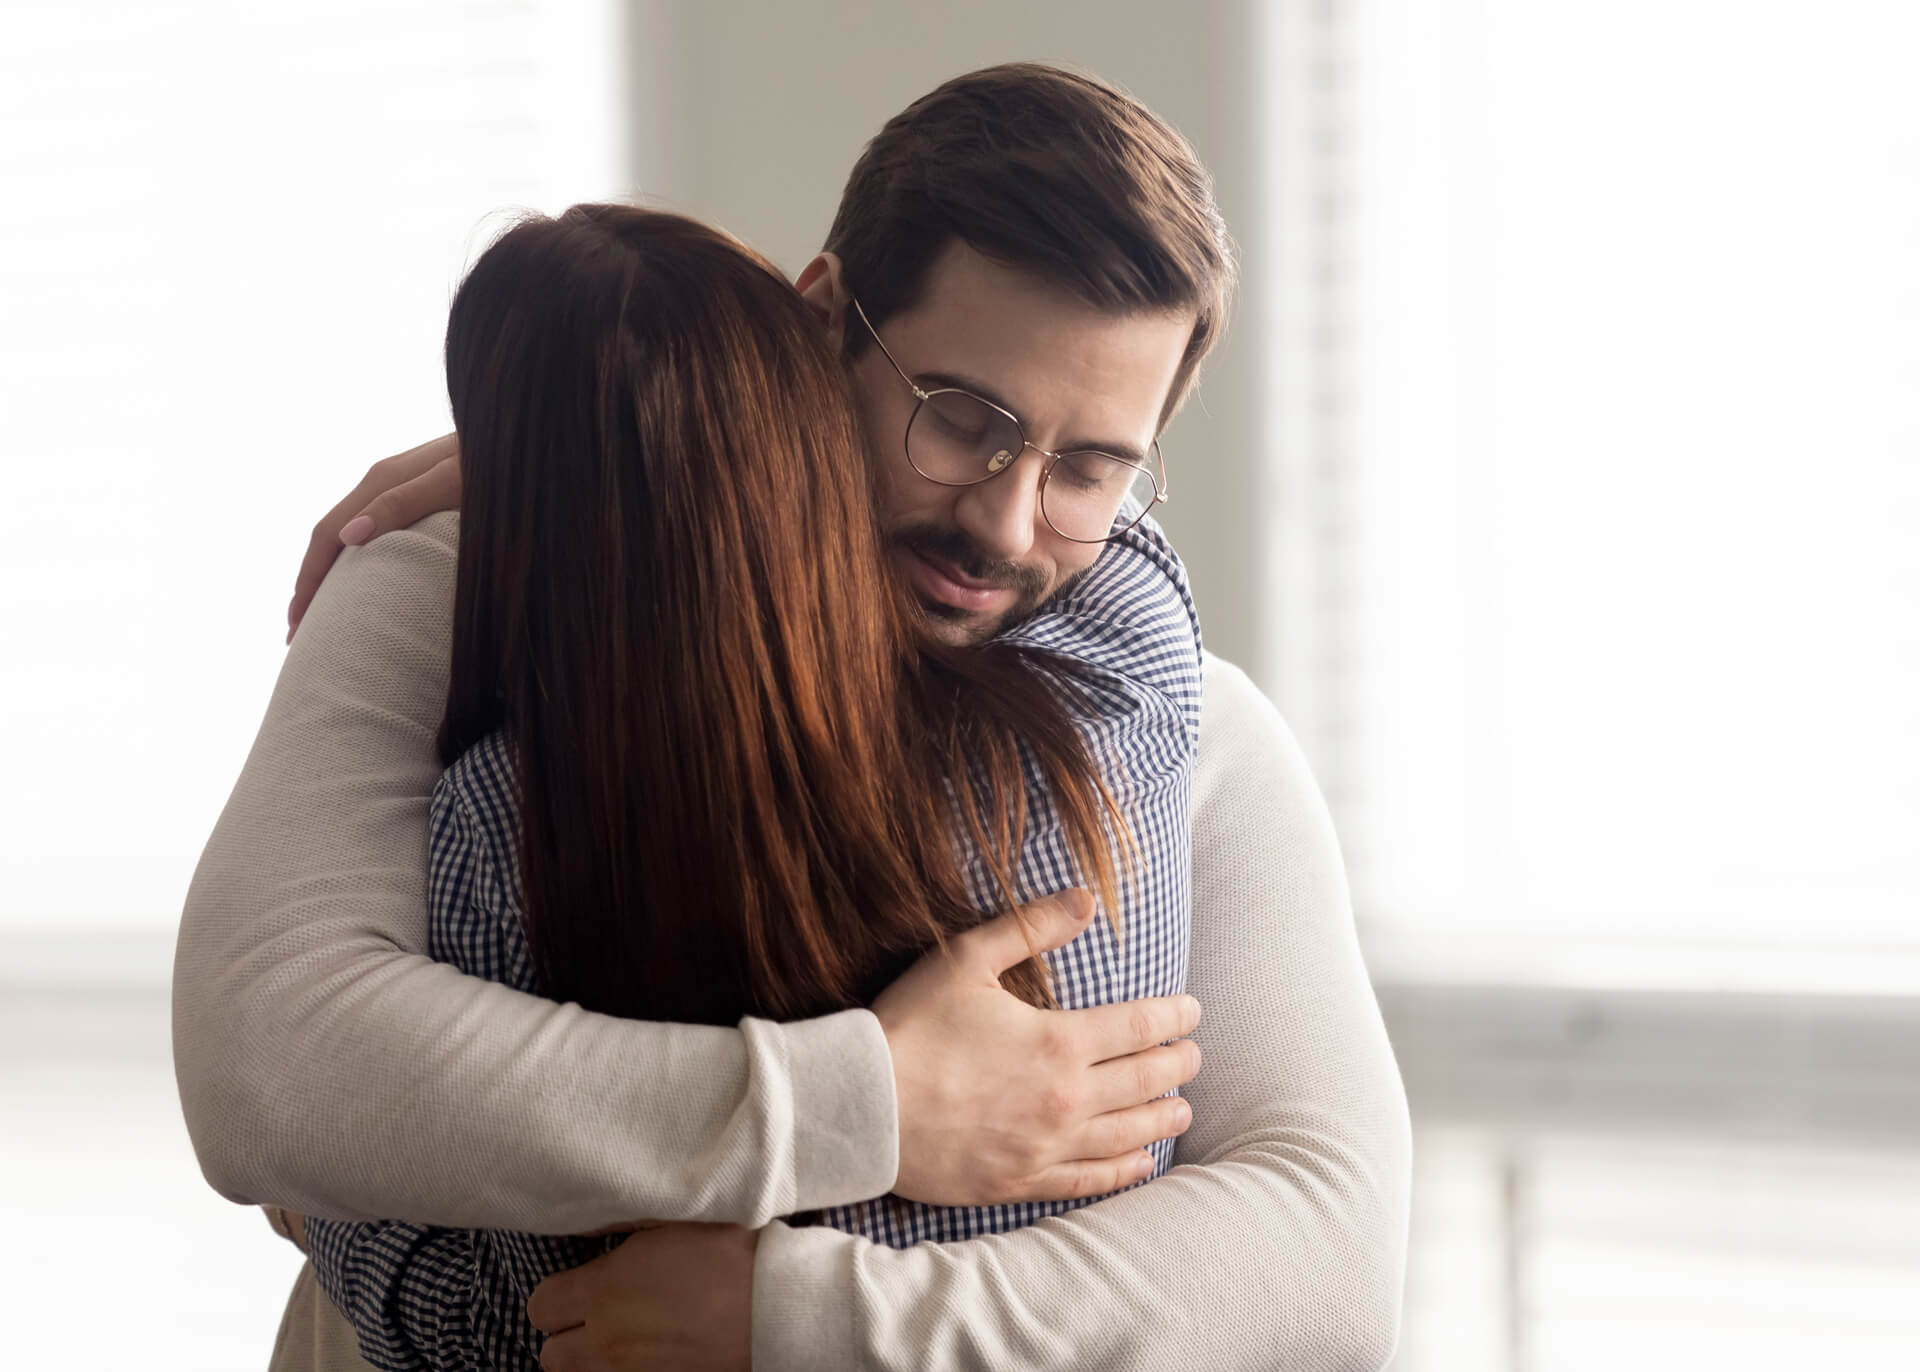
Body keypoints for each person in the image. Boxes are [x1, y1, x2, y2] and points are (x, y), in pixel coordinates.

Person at [176, 64, 1411, 1371]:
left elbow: (1327, 1260)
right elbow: (264, 1069)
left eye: (1090, 468)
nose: (1002, 519)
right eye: (961, 419)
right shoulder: (449, 573)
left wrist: (796, 1317)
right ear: (820, 324)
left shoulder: (1187, 729)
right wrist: (867, 1099)